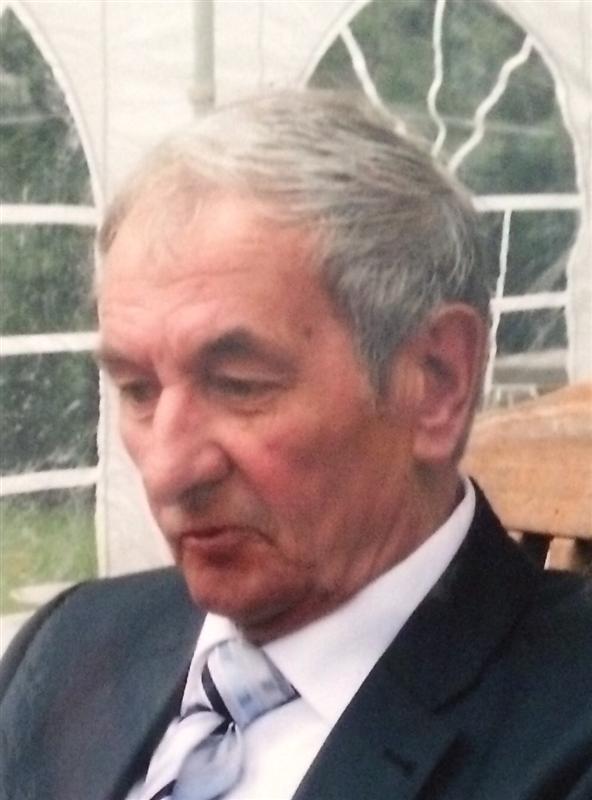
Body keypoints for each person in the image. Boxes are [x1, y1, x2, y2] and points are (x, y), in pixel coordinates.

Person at [1, 91, 590, 800]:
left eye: (239, 384)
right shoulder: (69, 648)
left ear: (436, 380)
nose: (165, 468)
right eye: (137, 389)